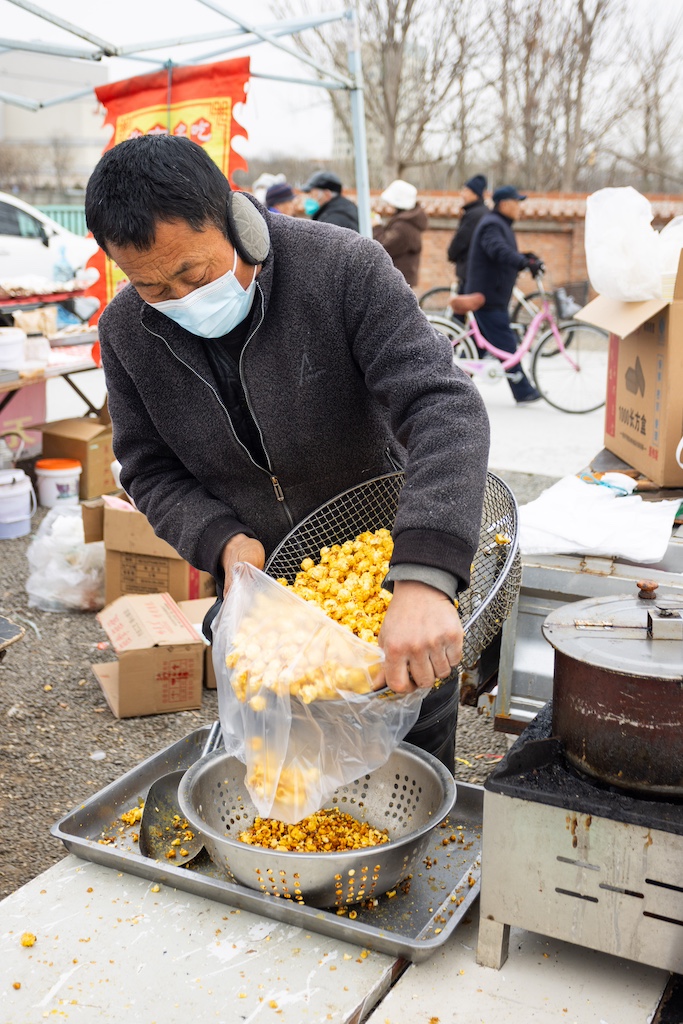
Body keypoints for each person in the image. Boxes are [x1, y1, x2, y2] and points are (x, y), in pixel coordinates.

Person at [85, 135, 490, 772]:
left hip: (382, 577)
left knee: (406, 767)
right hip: (265, 595)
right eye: (152, 287)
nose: (179, 299)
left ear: (236, 225)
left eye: (193, 274)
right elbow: (147, 466)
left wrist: (425, 575)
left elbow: (442, 405)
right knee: (283, 774)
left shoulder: (343, 268)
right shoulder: (126, 330)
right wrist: (221, 540)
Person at [459, 184, 543, 404]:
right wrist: (523, 262)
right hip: (488, 298)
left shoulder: (499, 223)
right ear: (505, 204)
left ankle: (455, 384)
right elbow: (497, 250)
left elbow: (504, 250)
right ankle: (523, 391)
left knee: (477, 348)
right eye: (517, 203)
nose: (519, 208)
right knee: (506, 345)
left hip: (491, 295)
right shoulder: (492, 224)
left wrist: (526, 257)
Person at [372, 179, 428, 287]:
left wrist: (376, 226)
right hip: (400, 280)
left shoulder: (404, 227)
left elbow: (383, 246)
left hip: (398, 282)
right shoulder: (407, 223)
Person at [447, 174, 488, 290]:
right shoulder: (480, 212)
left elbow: (462, 239)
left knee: (462, 305)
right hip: (474, 271)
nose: (462, 194)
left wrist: (452, 254)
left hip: (471, 270)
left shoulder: (474, 215)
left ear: (475, 193)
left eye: (466, 190)